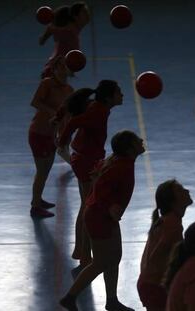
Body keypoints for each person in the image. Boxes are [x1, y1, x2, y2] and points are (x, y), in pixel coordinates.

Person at [60, 130, 145, 311]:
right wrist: (110, 209)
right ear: (130, 148)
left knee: (114, 258)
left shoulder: (119, 161)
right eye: (138, 140)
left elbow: (97, 175)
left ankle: (112, 300)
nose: (142, 140)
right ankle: (70, 297)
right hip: (100, 217)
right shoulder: (120, 167)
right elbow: (101, 192)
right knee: (100, 262)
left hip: (103, 215)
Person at [57, 80, 123, 266]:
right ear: (110, 97)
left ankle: (82, 251)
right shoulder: (98, 111)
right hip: (86, 161)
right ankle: (84, 254)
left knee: (86, 205)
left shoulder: (98, 107)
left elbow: (72, 111)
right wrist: (62, 142)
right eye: (119, 92)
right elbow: (74, 121)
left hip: (86, 158)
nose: (122, 95)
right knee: (88, 208)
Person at [137, 180, 193, 311]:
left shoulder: (166, 220)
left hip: (149, 284)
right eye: (180, 190)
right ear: (173, 202)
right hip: (156, 287)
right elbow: (158, 256)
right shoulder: (173, 225)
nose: (187, 191)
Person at [28, 56, 73, 218]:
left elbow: (68, 115)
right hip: (39, 133)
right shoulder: (47, 83)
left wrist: (64, 135)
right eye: (59, 66)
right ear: (54, 69)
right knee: (41, 171)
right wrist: (53, 112)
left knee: (45, 171)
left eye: (65, 67)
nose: (63, 69)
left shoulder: (69, 90)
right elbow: (35, 102)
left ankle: (38, 199)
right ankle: (35, 206)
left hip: (51, 135)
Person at [39, 2, 90, 78]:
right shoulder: (69, 30)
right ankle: (51, 68)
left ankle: (55, 68)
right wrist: (44, 37)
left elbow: (51, 28)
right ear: (76, 17)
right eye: (84, 12)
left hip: (63, 60)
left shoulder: (74, 26)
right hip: (55, 67)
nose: (87, 14)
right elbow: (52, 28)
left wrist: (44, 38)